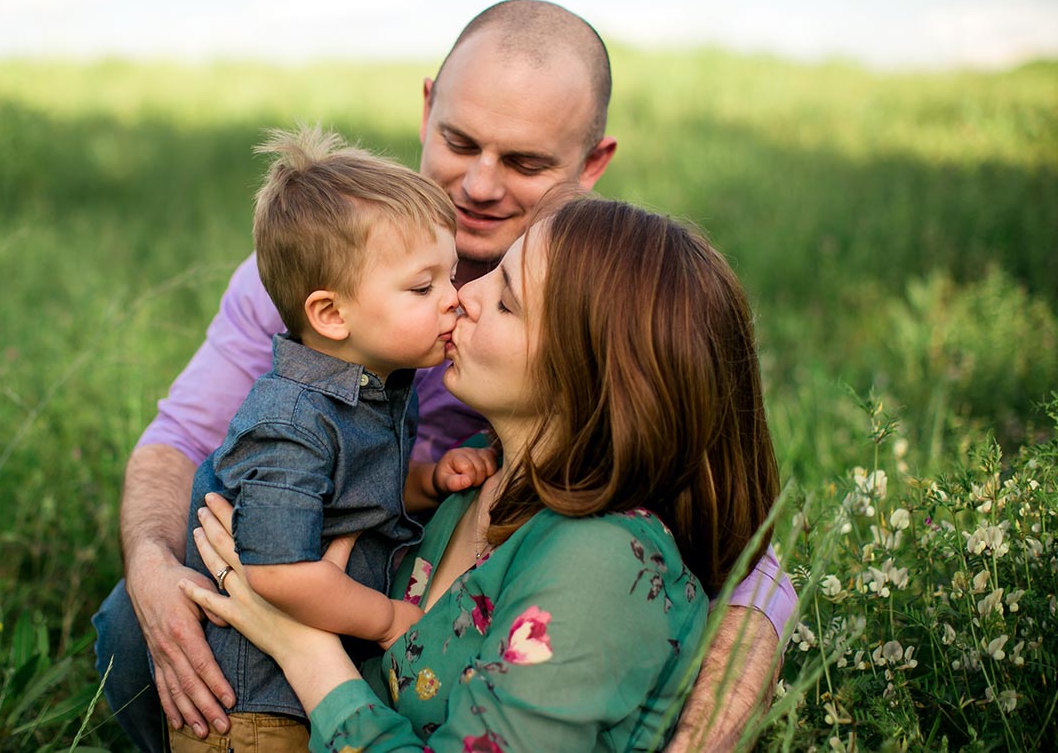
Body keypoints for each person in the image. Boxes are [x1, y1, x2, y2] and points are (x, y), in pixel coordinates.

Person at [94, 0, 796, 751]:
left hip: (423, 599)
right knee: (136, 623)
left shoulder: (607, 301)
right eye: (460, 141)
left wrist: (728, 682)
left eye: (526, 162)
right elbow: (178, 439)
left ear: (592, 165)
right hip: (343, 570)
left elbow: (722, 512)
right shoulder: (317, 270)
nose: (481, 185)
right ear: (427, 109)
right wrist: (154, 567)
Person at [180, 196, 784, 751]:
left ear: (589, 374)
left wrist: (303, 647)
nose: (464, 294)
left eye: (506, 300)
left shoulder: (603, 563)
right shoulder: (478, 471)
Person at [170, 126, 497, 752]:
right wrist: (389, 620)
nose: (455, 301)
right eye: (423, 288)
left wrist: (427, 480)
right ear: (331, 315)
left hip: (314, 688)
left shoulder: (375, 385)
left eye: (451, 277)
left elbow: (351, 491)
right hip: (254, 710)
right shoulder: (291, 422)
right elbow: (279, 573)